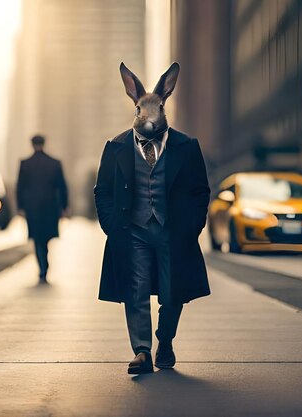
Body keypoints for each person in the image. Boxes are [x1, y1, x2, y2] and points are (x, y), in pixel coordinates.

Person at [95, 62, 210, 375]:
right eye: (141, 109)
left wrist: (192, 227)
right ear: (134, 105)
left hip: (173, 232)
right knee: (136, 290)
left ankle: (165, 339)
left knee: (174, 292)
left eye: (155, 108)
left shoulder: (186, 147)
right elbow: (102, 190)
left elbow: (201, 190)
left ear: (165, 103)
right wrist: (111, 227)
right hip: (132, 231)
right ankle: (142, 351)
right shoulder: (116, 147)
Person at [16, 135, 69, 283]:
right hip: (50, 206)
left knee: (37, 238)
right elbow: (62, 187)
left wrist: (20, 207)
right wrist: (64, 207)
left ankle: (42, 267)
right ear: (44, 144)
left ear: (32, 144)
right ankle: (44, 265)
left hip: (32, 207)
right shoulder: (54, 163)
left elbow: (20, 187)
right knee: (45, 237)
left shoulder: (25, 163)